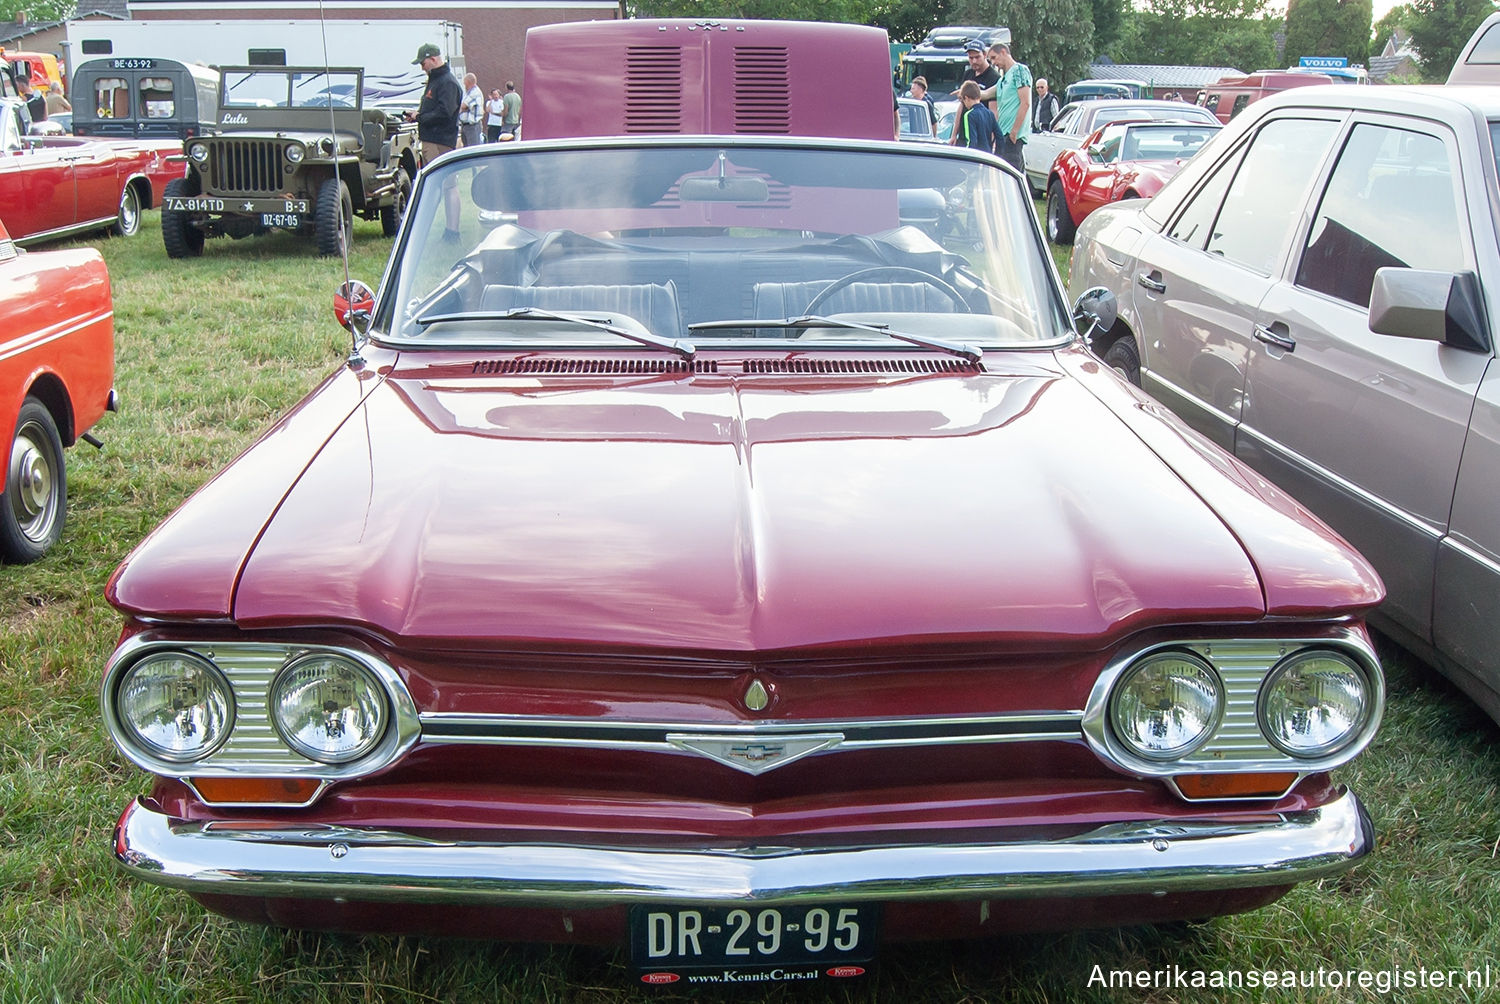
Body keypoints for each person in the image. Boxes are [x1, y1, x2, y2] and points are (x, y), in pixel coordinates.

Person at [405, 43, 462, 239]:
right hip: (437, 139)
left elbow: (445, 112)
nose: (422, 68)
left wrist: (420, 116)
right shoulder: (438, 80)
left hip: (440, 141)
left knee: (445, 186)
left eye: (423, 63)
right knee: (446, 186)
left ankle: (450, 231)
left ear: (433, 59)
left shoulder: (445, 82)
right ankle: (448, 231)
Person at [978, 42, 1031, 175]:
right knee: (1001, 177)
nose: (994, 63)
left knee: (1010, 177)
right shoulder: (1002, 80)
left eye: (994, 58)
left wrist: (1014, 132)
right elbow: (985, 94)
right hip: (1003, 135)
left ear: (1003, 52)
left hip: (1012, 136)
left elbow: (1025, 103)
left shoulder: (1019, 71)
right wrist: (966, 91)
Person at [951, 80, 998, 154]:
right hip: (986, 152)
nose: (964, 104)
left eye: (963, 101)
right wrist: (999, 154)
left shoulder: (969, 115)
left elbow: (972, 141)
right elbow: (999, 136)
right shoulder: (989, 114)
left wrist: (968, 155)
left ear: (966, 98)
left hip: (974, 153)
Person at [458, 72, 483, 148]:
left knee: (472, 149)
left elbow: (463, 106)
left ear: (469, 82)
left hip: (472, 126)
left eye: (465, 84)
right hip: (466, 125)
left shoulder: (474, 92)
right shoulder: (468, 92)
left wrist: (462, 109)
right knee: (466, 148)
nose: (464, 86)